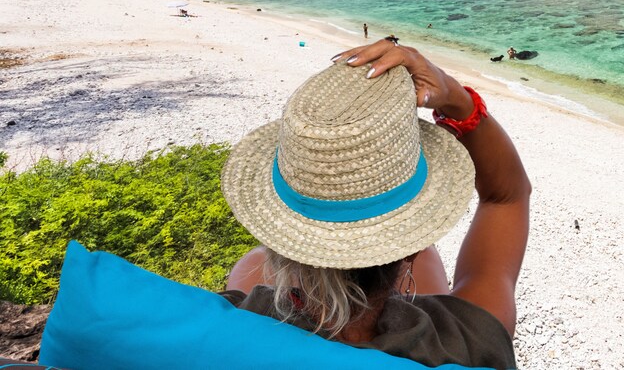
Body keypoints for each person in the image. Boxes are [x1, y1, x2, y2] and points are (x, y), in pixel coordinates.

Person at [220, 39, 530, 369]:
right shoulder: (466, 343)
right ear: (411, 248)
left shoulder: (233, 322)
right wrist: (457, 99)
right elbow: (507, 197)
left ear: (282, 239)